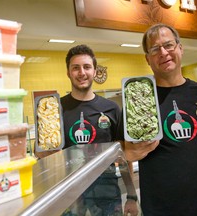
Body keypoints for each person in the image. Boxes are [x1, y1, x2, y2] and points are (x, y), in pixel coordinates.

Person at [120, 23, 197, 215]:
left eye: (168, 45)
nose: (163, 52)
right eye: (155, 49)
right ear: (147, 58)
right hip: (163, 210)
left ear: (180, 48)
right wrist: (128, 153)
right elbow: (120, 152)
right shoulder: (138, 101)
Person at [61, 44, 138, 216]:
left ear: (95, 71)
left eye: (87, 67)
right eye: (76, 68)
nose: (82, 72)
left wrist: (132, 196)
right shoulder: (57, 109)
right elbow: (46, 154)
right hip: (69, 194)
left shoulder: (111, 108)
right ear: (68, 72)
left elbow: (125, 156)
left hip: (107, 192)